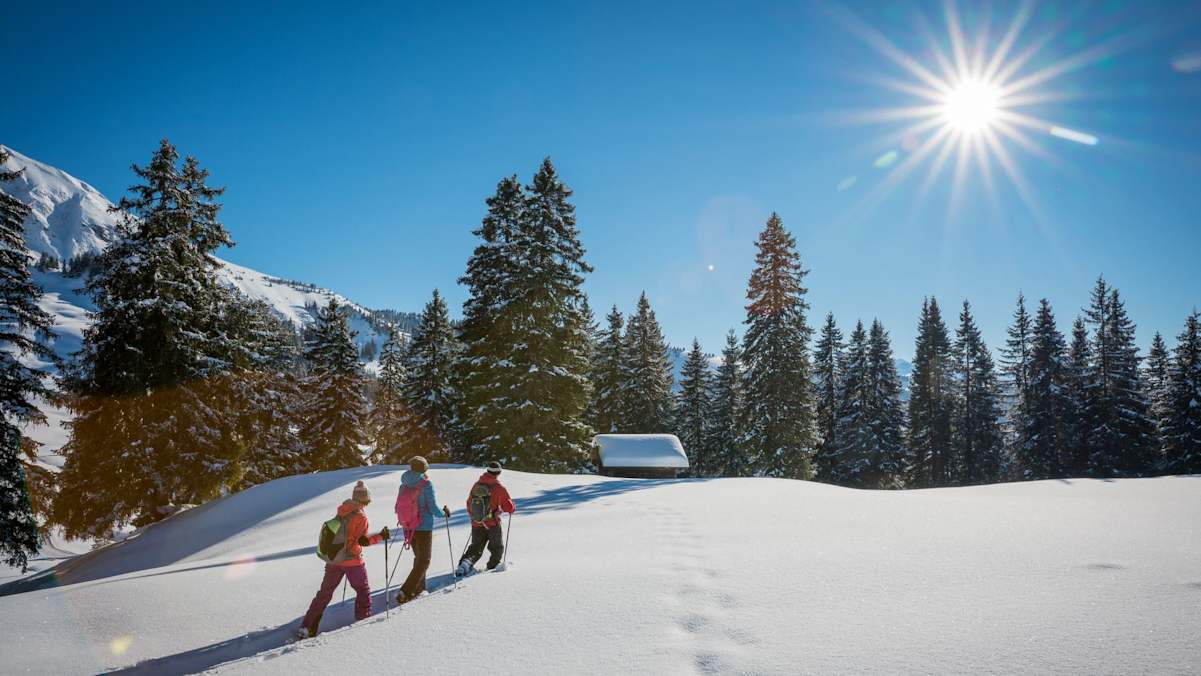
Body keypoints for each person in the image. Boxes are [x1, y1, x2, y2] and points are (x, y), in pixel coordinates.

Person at [298, 481, 389, 639]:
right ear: (365, 499)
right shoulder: (360, 516)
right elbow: (363, 541)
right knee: (363, 590)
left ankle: (307, 627)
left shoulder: (342, 510)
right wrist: (381, 536)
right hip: (352, 561)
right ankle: (363, 620)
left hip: (334, 559)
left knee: (324, 593)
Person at [396, 455, 449, 605]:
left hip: (408, 526)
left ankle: (419, 588)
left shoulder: (404, 484)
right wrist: (444, 513)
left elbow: (398, 506)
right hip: (423, 527)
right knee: (424, 561)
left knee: (418, 557)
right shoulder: (426, 484)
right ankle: (406, 591)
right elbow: (432, 508)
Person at [456, 460, 517, 576]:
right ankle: (491, 569)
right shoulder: (499, 488)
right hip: (492, 524)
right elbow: (508, 506)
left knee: (476, 547)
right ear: (498, 473)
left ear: (487, 471)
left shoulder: (477, 485)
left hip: (476, 522)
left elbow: (469, 503)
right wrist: (512, 508)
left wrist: (475, 517)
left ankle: (465, 564)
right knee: (496, 547)